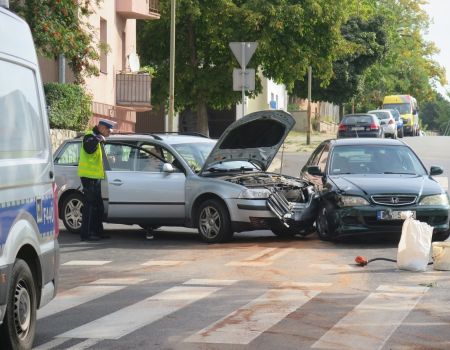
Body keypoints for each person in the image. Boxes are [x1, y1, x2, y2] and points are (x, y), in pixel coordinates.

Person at [77, 119, 116, 241]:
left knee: (98, 206)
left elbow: (94, 156)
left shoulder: (96, 136)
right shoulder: (90, 135)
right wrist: (98, 139)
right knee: (90, 206)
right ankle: (86, 234)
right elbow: (89, 148)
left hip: (95, 176)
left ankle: (98, 232)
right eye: (108, 130)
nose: (110, 133)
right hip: (88, 177)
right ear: (101, 127)